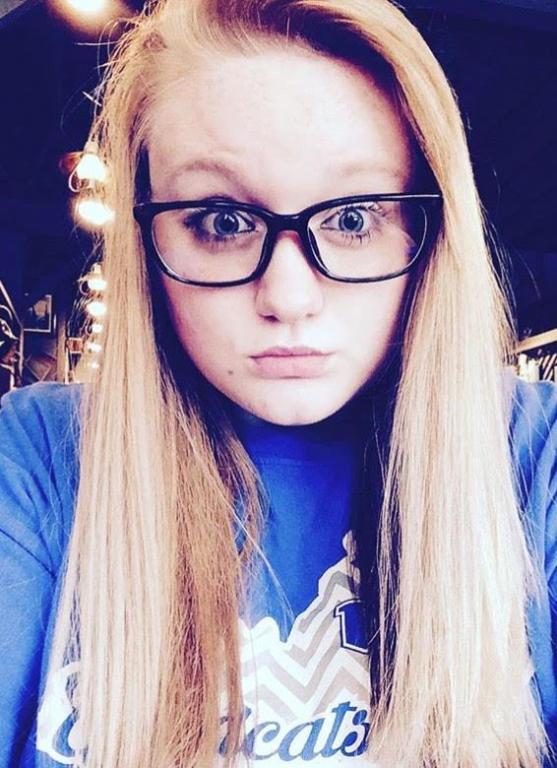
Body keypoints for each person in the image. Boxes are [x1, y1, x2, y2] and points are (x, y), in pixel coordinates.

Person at [0, 0, 556, 766]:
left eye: (353, 218)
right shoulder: (36, 462)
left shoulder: (535, 458)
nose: (289, 298)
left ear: (429, 232)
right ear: (145, 236)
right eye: (221, 221)